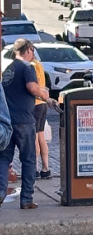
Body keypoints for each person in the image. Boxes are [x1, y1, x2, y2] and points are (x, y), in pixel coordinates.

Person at [3, 40, 48, 209]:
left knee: (3, 160)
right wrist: (44, 95)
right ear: (29, 50)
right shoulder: (27, 67)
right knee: (28, 160)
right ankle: (27, 199)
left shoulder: (9, 69)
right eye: (33, 50)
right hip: (24, 121)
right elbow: (32, 88)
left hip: (8, 122)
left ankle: (0, 193)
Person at [31, 50, 51, 178]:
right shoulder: (38, 64)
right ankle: (46, 168)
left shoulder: (31, 66)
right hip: (42, 104)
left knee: (34, 138)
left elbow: (36, 84)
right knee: (41, 137)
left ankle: (35, 169)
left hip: (35, 104)